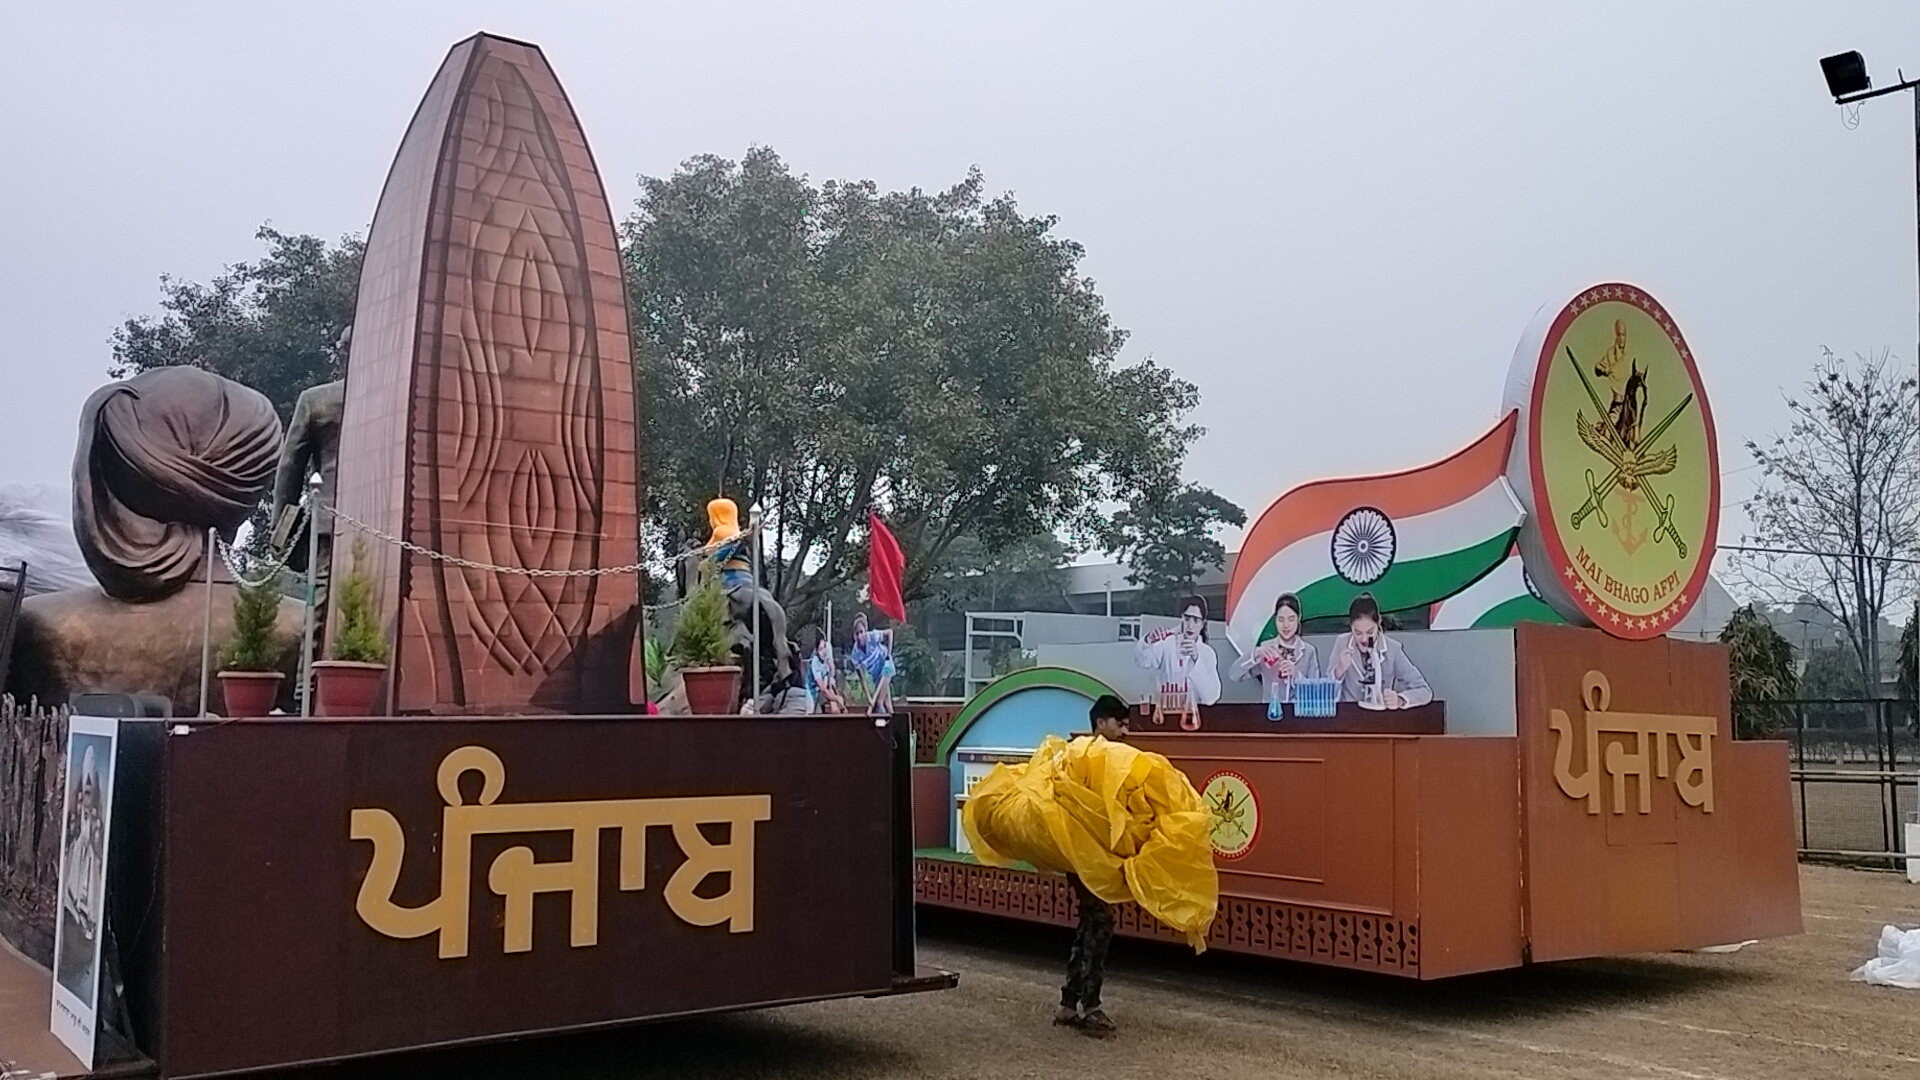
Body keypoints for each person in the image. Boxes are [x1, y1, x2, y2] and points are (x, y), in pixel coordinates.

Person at [1056, 694, 1131, 1037]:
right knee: (1099, 922)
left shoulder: (1084, 755)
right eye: (1120, 724)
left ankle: (1070, 1004)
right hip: (1087, 856)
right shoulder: (1089, 756)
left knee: (1089, 921)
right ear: (1101, 723)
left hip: (1084, 856)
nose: (1125, 731)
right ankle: (1091, 1006)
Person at [1329, 593, 1431, 709]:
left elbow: (1424, 691)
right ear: (1350, 626)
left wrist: (1400, 700)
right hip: (1348, 719)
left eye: (1370, 632)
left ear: (1378, 623)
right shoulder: (1342, 643)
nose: (1364, 639)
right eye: (1357, 633)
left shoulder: (1392, 649)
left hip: (1380, 719)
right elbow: (1326, 695)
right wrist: (1338, 671)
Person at [1134, 595, 1223, 715]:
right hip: (1166, 715)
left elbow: (1211, 697)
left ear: (1202, 624)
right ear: (1182, 618)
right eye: (1187, 619)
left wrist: (1196, 659)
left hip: (1193, 719)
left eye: (1196, 620)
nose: (1190, 625)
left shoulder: (1207, 653)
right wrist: (1148, 640)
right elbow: (1143, 661)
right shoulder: (1167, 644)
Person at [1229, 592, 1321, 707]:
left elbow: (1316, 692)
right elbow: (1234, 675)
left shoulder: (1308, 651)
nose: (1286, 625)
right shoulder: (1267, 648)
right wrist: (1256, 653)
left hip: (1299, 716)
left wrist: (1296, 675)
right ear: (1275, 620)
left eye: (1291, 619)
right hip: (1271, 714)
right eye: (1281, 620)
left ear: (1299, 619)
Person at [850, 613, 895, 715]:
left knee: (879, 703)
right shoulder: (855, 653)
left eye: (861, 632)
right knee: (887, 704)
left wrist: (888, 655)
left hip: (886, 667)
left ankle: (884, 728)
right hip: (876, 675)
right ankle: (894, 725)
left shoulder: (873, 636)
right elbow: (862, 679)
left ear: (865, 631)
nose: (860, 636)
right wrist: (869, 698)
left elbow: (890, 633)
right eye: (857, 633)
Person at [805, 633, 845, 714]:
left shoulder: (826, 654)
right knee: (811, 711)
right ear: (816, 651)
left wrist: (832, 678)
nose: (823, 652)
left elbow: (831, 668)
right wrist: (835, 699)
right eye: (820, 649)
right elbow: (823, 689)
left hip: (822, 687)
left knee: (835, 706)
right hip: (811, 691)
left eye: (824, 648)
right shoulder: (815, 662)